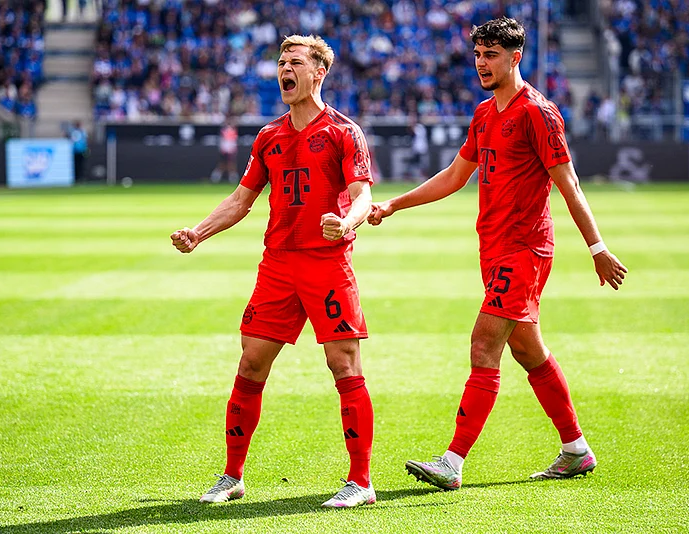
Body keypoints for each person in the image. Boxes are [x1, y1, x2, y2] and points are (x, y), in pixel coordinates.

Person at [368, 17, 628, 489]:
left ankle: (452, 461)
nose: (482, 63)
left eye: (491, 55)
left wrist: (598, 247)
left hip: (525, 249)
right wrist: (393, 204)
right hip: (492, 248)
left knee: (484, 342)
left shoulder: (539, 113)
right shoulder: (486, 113)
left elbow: (568, 186)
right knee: (528, 351)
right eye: (478, 54)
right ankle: (576, 449)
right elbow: (453, 176)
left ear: (515, 57)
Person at [171, 34, 376, 508]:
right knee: (250, 363)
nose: (284, 70)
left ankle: (360, 482)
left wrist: (344, 221)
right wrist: (198, 233)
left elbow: (362, 195)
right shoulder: (269, 136)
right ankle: (232, 475)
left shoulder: (345, 132)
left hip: (327, 264)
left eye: (295, 62)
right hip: (278, 265)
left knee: (343, 364)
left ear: (318, 72)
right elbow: (242, 199)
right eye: (281, 63)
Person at [210, 117, 238, 183]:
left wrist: (233, 149)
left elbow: (233, 141)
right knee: (222, 164)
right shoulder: (223, 130)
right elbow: (222, 141)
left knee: (231, 164)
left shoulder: (234, 130)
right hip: (225, 150)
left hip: (231, 150)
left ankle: (233, 178)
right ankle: (215, 178)